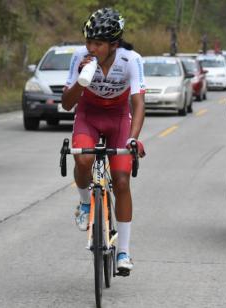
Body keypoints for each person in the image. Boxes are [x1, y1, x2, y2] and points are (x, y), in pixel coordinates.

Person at [61, 7, 146, 275]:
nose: (91, 47)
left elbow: (138, 102)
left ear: (114, 44)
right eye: (88, 41)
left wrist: (133, 139)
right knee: (83, 159)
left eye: (97, 43)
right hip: (89, 115)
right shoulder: (80, 57)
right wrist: (81, 81)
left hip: (119, 118)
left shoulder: (131, 60)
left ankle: (123, 251)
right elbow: (66, 104)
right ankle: (86, 202)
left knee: (121, 180)